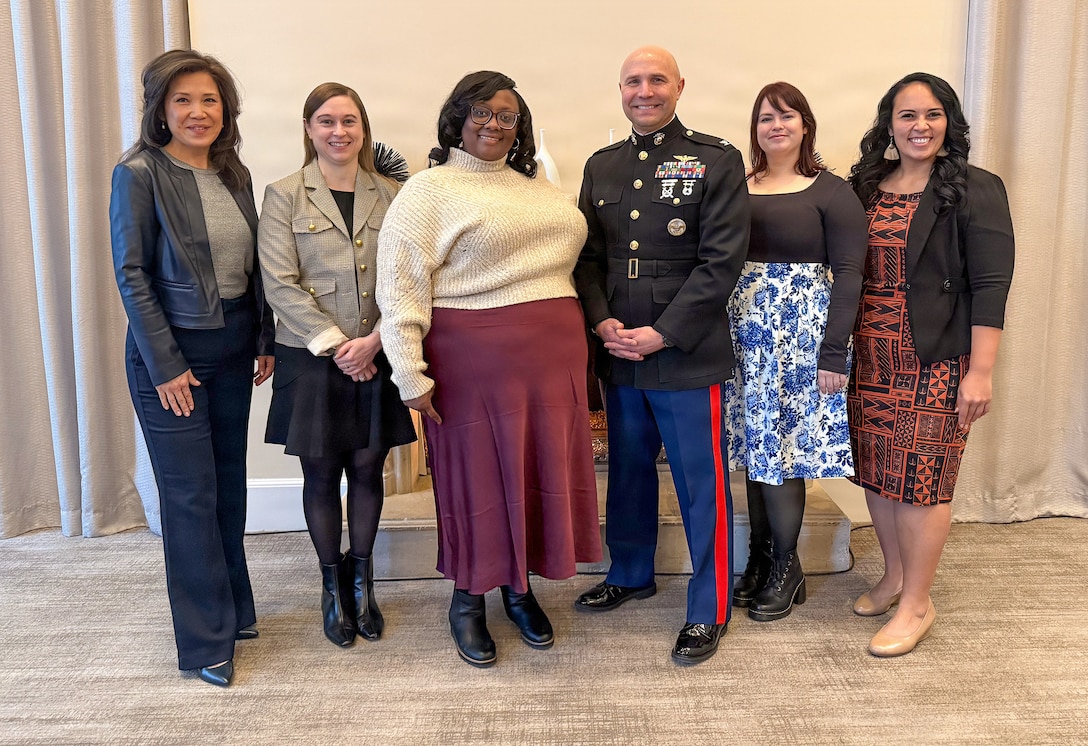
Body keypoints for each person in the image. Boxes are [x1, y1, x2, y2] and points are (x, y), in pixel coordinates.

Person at [376, 71, 602, 667]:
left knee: (534, 475)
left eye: (507, 115)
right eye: (482, 111)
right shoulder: (427, 191)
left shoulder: (540, 189)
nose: (494, 124)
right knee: (476, 482)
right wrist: (409, 372)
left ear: (520, 125)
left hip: (551, 360)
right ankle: (468, 600)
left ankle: (520, 590)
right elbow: (399, 288)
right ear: (457, 117)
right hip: (474, 360)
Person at [572, 46, 750, 664]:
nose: (643, 91)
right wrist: (602, 322)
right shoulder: (602, 166)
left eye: (656, 80)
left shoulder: (716, 160)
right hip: (619, 348)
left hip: (686, 352)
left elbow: (721, 262)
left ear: (679, 86)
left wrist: (664, 333)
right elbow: (588, 258)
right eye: (632, 81)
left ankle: (710, 606)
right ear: (619, 90)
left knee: (702, 483)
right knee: (626, 472)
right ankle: (630, 572)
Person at [109, 49, 275, 687]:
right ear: (160, 108)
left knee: (227, 483)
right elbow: (133, 274)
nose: (198, 112)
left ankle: (234, 609)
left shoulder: (234, 172)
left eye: (209, 99)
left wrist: (261, 335)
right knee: (189, 495)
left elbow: (252, 264)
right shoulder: (140, 173)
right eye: (183, 100)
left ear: (225, 109)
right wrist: (166, 364)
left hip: (233, 345)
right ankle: (205, 641)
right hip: (170, 353)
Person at [847, 72, 1014, 656]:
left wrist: (981, 371)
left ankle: (917, 603)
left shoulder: (975, 188)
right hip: (870, 354)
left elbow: (991, 285)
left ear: (950, 122)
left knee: (922, 481)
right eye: (907, 116)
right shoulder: (867, 184)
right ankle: (894, 576)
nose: (920, 127)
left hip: (934, 358)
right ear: (888, 125)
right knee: (879, 471)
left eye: (932, 115)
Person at [257, 83, 416, 648]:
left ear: (363, 128)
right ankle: (331, 585)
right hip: (313, 357)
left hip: (377, 351)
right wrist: (337, 345)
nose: (338, 131)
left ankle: (362, 582)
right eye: (325, 121)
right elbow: (279, 283)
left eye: (349, 121)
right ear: (308, 129)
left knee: (369, 470)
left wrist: (373, 341)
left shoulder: (396, 194)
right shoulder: (283, 195)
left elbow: (407, 279)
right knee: (322, 474)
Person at [725, 83, 867, 621]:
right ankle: (760, 560)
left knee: (783, 453)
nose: (776, 125)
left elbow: (851, 273)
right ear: (755, 129)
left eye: (787, 116)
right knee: (755, 451)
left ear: (806, 124)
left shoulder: (831, 191)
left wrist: (834, 354)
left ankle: (787, 564)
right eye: (765, 117)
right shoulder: (738, 185)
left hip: (799, 337)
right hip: (743, 335)